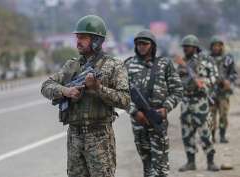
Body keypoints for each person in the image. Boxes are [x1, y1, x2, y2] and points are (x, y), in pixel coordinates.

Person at [41, 15, 130, 177]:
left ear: (97, 40)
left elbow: (125, 100)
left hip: (99, 136)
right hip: (75, 135)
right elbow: (46, 86)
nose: (78, 41)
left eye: (83, 38)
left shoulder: (114, 65)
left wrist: (98, 88)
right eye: (77, 37)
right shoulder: (72, 65)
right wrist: (65, 91)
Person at [125, 29, 183, 177]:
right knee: (147, 166)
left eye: (145, 43)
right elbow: (121, 94)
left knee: (161, 166)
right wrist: (134, 112)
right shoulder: (128, 65)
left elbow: (177, 90)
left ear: (153, 45)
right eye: (138, 43)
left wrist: (166, 108)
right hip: (138, 122)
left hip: (157, 119)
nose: (141, 46)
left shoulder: (164, 64)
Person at [176, 34, 220, 172]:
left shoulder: (206, 60)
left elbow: (215, 76)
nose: (185, 49)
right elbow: (177, 79)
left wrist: (204, 82)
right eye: (184, 47)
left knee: (205, 132)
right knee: (186, 133)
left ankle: (210, 161)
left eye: (187, 47)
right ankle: (190, 162)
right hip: (186, 101)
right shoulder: (182, 62)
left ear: (195, 47)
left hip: (201, 101)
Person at [209, 36, 238, 143]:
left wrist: (228, 81)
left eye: (218, 45)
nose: (216, 47)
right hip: (211, 93)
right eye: (214, 45)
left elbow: (234, 74)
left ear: (222, 46)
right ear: (211, 47)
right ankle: (211, 136)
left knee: (223, 115)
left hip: (223, 93)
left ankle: (222, 135)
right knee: (210, 116)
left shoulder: (228, 58)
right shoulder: (207, 59)